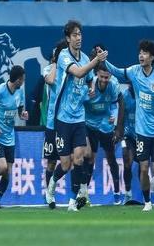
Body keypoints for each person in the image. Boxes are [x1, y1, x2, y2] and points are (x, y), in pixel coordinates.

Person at [102, 39, 154, 211]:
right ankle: (148, 202)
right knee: (143, 169)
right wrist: (103, 60)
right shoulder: (134, 71)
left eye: (145, 53)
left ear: (152, 57)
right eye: (140, 52)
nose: (141, 56)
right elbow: (117, 72)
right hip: (141, 132)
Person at [45, 20, 108, 211]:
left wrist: (91, 88)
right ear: (68, 38)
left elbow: (88, 79)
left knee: (80, 158)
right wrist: (96, 61)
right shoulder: (64, 56)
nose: (78, 38)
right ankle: (52, 184)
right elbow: (79, 73)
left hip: (79, 117)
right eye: (74, 35)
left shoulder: (85, 58)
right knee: (65, 164)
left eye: (80, 34)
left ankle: (73, 201)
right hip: (62, 117)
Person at [0, 65, 28, 208]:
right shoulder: (0, 91)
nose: (23, 82)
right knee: (1, 167)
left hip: (10, 137)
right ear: (18, 80)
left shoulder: (20, 92)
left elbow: (20, 110)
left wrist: (23, 114)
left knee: (7, 172)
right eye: (23, 79)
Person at [84, 61, 123, 205]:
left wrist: (114, 115)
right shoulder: (90, 86)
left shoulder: (113, 86)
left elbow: (114, 104)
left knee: (111, 158)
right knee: (89, 158)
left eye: (107, 77)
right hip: (89, 124)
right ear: (97, 75)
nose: (104, 80)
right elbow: (81, 103)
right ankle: (84, 194)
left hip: (105, 124)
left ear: (110, 76)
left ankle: (117, 192)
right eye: (102, 77)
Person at [41, 39, 68, 203]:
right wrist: (56, 64)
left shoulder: (72, 70)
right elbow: (50, 80)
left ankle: (80, 193)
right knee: (52, 162)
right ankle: (49, 195)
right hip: (52, 123)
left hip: (67, 122)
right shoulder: (49, 69)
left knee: (70, 161)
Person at [121, 83, 137, 203]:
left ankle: (147, 197)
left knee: (143, 166)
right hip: (127, 135)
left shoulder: (143, 94)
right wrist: (119, 133)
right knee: (127, 162)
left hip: (142, 134)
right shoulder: (124, 96)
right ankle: (128, 193)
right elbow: (120, 116)